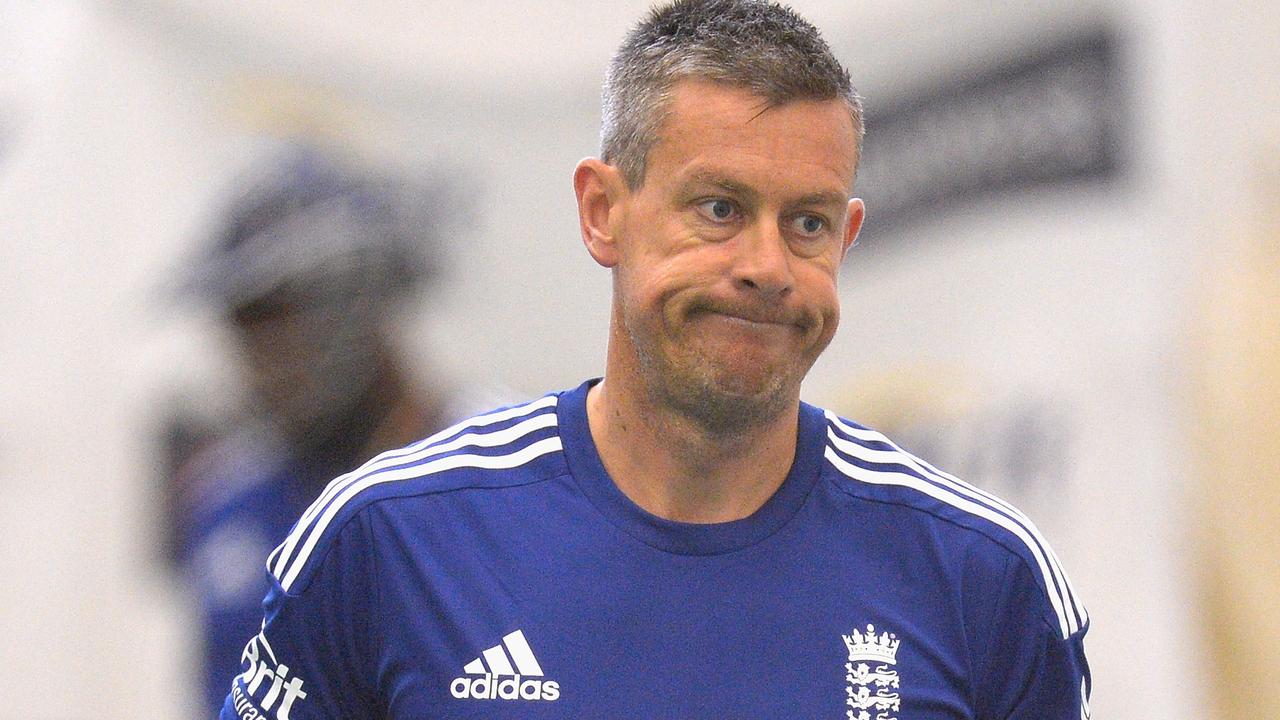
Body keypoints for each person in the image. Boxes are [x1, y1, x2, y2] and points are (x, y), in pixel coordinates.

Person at [221, 2, 1091, 718]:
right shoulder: (389, 539)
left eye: (808, 223)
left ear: (848, 239)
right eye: (718, 208)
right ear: (603, 211)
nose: (765, 266)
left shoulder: (986, 577)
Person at [164, 145, 465, 713]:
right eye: (241, 327)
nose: (257, 358)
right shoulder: (228, 501)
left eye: (276, 318)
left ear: (359, 302)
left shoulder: (511, 482)